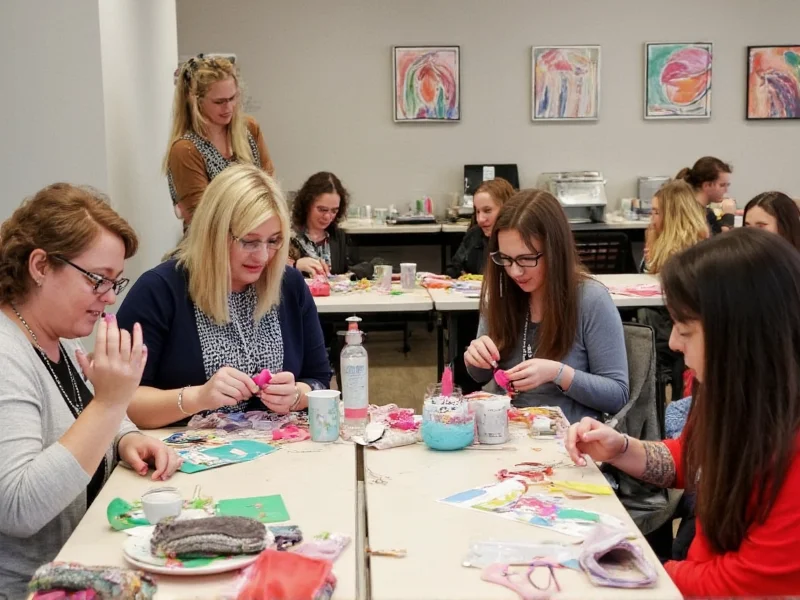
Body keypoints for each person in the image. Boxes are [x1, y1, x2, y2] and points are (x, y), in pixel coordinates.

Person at [566, 228, 800, 596]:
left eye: (685, 330)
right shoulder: (734, 393)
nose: (673, 343)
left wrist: (640, 573)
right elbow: (692, 459)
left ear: (741, 336)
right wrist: (621, 448)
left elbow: (749, 582)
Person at [0, 184, 181, 597]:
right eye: (98, 279)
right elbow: (18, 507)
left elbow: (82, 423)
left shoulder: (58, 338)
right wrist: (112, 403)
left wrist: (127, 435)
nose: (111, 297)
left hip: (77, 564)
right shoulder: (6, 354)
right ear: (41, 266)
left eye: (116, 281)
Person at [117, 164, 331, 429]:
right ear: (214, 233)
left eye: (274, 240)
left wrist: (297, 395)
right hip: (180, 461)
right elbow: (121, 403)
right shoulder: (159, 290)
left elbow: (320, 379)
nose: (263, 256)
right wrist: (197, 397)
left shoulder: (289, 285)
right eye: (249, 242)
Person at [464, 190, 629, 424]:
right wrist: (475, 358)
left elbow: (617, 396)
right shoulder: (502, 293)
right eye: (506, 259)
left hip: (569, 442)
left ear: (554, 251)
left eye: (526, 259)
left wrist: (558, 374)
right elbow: (480, 376)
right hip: (504, 434)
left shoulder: (591, 299)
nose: (514, 271)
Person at [164, 54, 275, 225]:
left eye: (232, 98)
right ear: (196, 101)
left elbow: (270, 187)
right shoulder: (186, 149)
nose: (228, 107)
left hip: (258, 231)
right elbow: (203, 216)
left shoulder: (250, 129)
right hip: (213, 244)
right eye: (219, 102)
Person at [288, 171, 381, 280]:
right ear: (307, 204)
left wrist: (348, 276)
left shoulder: (338, 237)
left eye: (334, 211)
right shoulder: (288, 236)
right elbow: (270, 273)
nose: (328, 217)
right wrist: (294, 266)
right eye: (322, 209)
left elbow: (371, 265)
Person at [445, 178, 515, 278]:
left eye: (487, 211)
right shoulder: (475, 234)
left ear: (507, 209)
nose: (480, 219)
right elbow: (454, 269)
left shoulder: (519, 239)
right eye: (477, 211)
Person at [642, 180, 708, 274]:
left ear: (673, 217)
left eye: (656, 212)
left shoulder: (686, 250)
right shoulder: (656, 235)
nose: (652, 218)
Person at [675, 156, 736, 235]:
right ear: (707, 186)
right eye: (722, 185)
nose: (726, 190)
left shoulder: (702, 211)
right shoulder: (694, 216)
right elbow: (716, 243)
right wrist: (729, 216)